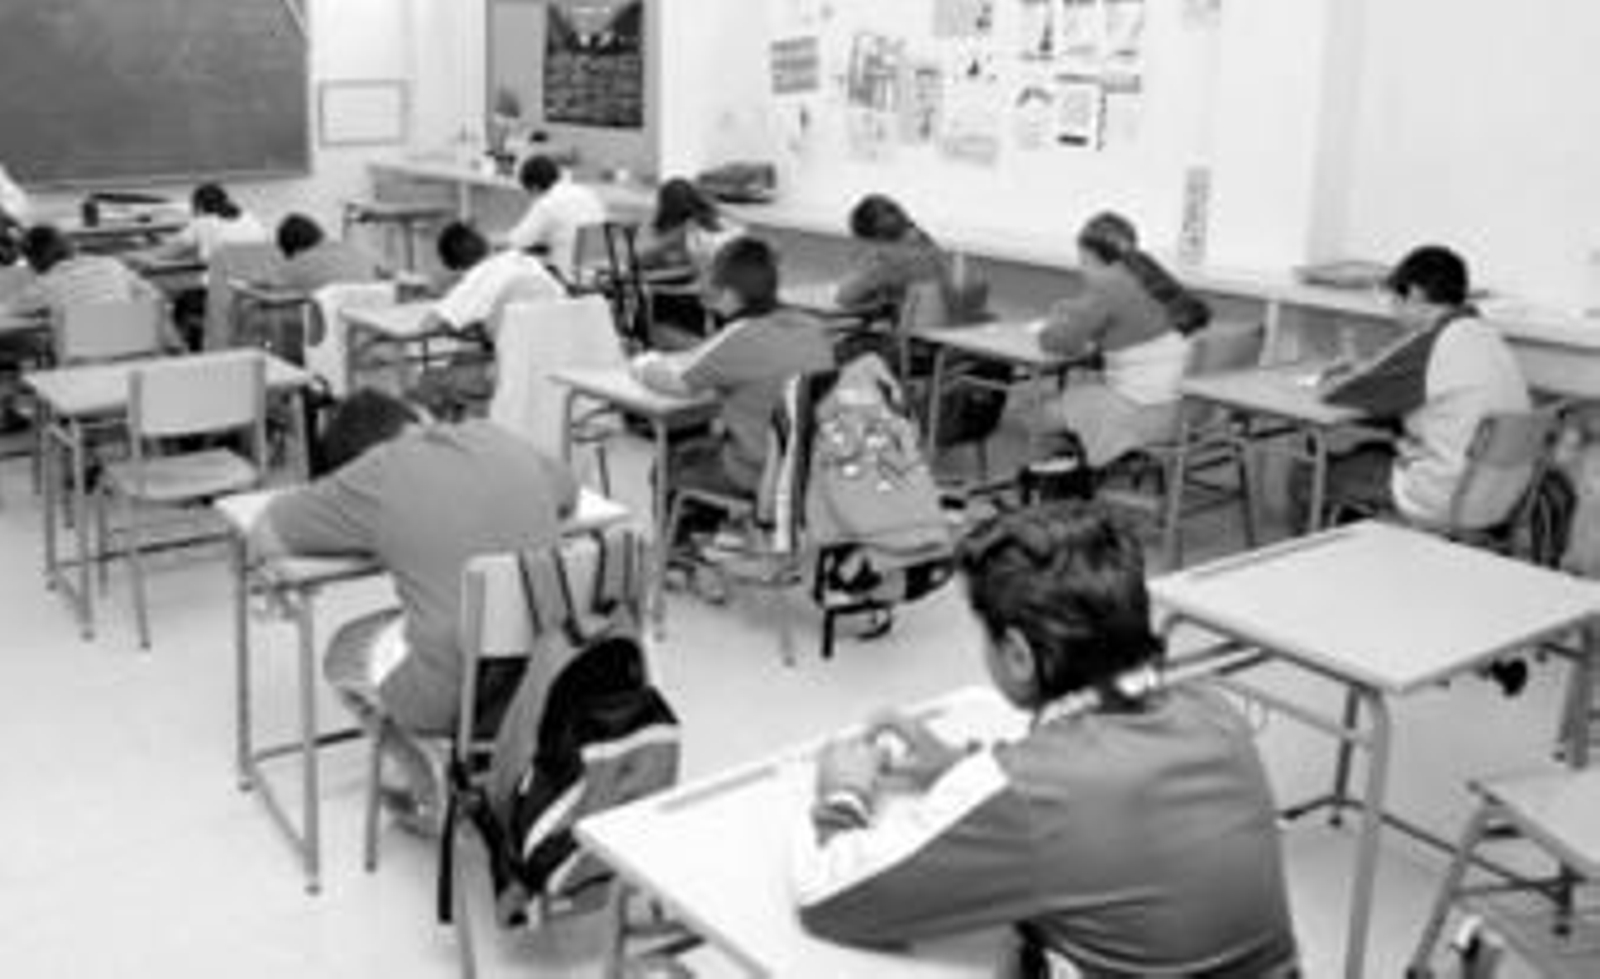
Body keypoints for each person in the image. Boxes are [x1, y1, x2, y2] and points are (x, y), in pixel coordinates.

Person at [792, 502, 1299, 977]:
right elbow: (1106, 814)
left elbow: (827, 899)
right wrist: (958, 770)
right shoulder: (1216, 714)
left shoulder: (1022, 792)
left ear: (1017, 654)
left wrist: (841, 794)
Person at [249, 389, 579, 825]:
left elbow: (265, 534)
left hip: (462, 692)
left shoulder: (375, 473)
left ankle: (430, 793)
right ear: (419, 415)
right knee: (450, 608)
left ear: (353, 462)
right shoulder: (493, 435)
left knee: (345, 651)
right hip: (560, 664)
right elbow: (568, 494)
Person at [1300, 244, 1532, 527]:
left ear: (1415, 294)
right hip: (1500, 496)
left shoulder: (1433, 343)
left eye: (1395, 300)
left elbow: (1334, 393)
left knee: (1308, 475)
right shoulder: (1487, 336)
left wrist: (1333, 374)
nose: (1392, 311)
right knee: (1371, 451)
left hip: (1444, 496)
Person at [630, 236, 833, 499]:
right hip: (808, 469)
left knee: (668, 466)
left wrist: (640, 363)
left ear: (730, 294)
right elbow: (707, 355)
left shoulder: (741, 335)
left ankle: (686, 536)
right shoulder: (812, 327)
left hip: (756, 472)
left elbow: (675, 383)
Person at [1033, 212, 1199, 469]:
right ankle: (1078, 475)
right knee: (1079, 395)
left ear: (1090, 254)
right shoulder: (1148, 275)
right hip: (1181, 409)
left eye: (1081, 259)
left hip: (1142, 413)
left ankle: (1056, 487)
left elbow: (1056, 341)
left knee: (1038, 412)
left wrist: (1056, 317)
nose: (1080, 267)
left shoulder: (1108, 284)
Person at [6, 224, 184, 354]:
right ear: (71, 247)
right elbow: (156, 299)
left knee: (40, 344)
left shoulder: (46, 284)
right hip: (133, 359)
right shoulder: (112, 264)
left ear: (35, 263)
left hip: (83, 370)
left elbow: (8, 310)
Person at [635, 177, 745, 345]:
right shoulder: (657, 225)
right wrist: (674, 239)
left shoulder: (700, 225)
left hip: (699, 295)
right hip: (681, 294)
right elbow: (640, 256)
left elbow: (708, 260)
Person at [833, 194, 950, 315]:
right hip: (940, 320)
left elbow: (845, 296)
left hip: (911, 326)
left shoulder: (886, 257)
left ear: (876, 235)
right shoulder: (928, 244)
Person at [504, 155, 605, 282]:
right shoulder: (588, 193)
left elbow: (517, 241)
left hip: (565, 277)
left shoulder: (547, 203)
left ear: (534, 187)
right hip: (596, 273)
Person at [274, 213, 384, 293]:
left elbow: (275, 285)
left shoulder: (297, 266)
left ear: (294, 249)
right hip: (370, 316)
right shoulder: (354, 248)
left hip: (330, 319)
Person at [161, 182, 270, 262]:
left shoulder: (202, 223)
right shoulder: (249, 216)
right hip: (259, 277)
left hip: (223, 284)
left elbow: (167, 253)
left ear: (199, 206)